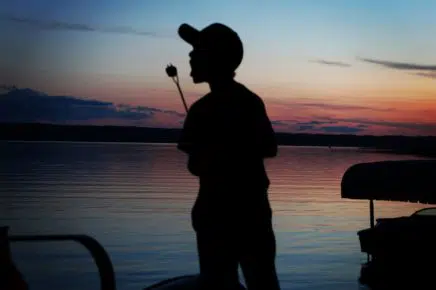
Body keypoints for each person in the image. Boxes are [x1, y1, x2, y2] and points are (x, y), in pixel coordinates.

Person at [177, 22, 281, 290]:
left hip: (218, 219)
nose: (190, 55)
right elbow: (269, 147)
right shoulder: (250, 101)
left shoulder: (202, 111)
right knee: (263, 283)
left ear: (215, 58)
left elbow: (195, 165)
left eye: (197, 49)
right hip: (251, 216)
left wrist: (217, 151)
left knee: (219, 285)